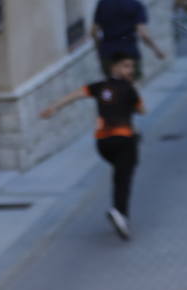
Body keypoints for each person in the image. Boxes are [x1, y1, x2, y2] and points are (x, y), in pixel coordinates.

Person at [39, 54, 145, 239]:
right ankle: (120, 213)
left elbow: (77, 94)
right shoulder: (129, 88)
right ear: (115, 67)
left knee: (120, 173)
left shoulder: (99, 87)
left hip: (103, 144)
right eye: (126, 66)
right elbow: (143, 110)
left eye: (132, 67)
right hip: (124, 139)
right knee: (124, 178)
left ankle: (119, 213)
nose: (131, 70)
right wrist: (135, 89)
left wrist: (54, 107)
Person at [92, 0, 166, 80]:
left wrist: (99, 50)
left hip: (108, 53)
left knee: (113, 87)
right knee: (132, 87)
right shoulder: (135, 5)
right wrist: (157, 50)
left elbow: (94, 32)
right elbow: (143, 34)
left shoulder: (103, 3)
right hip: (129, 52)